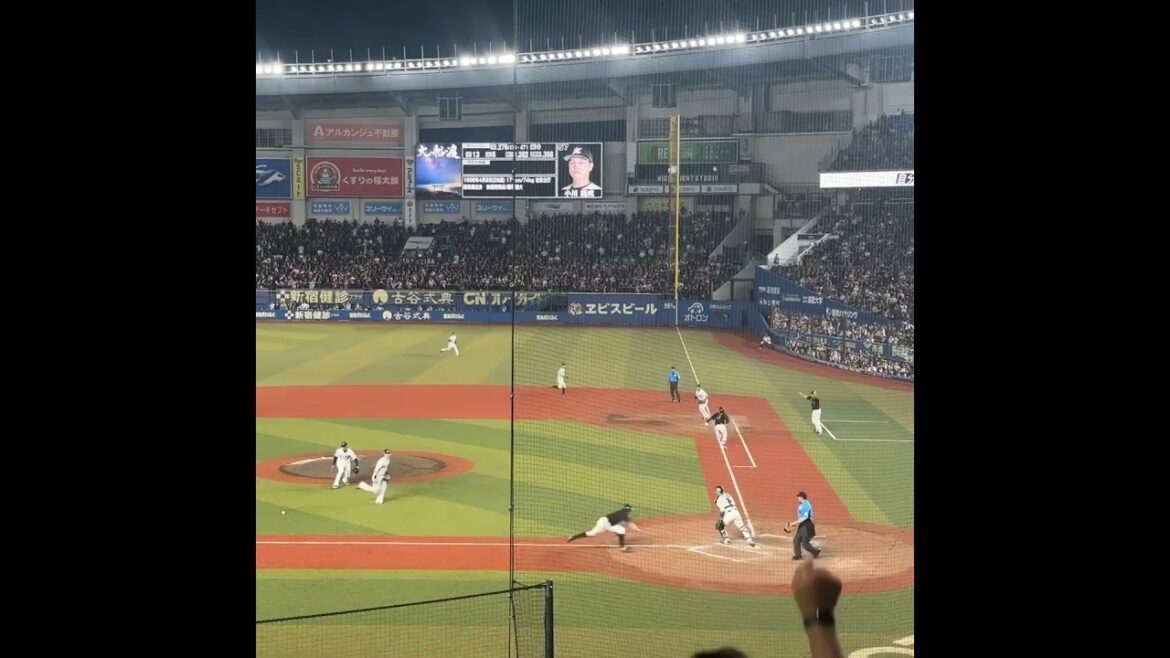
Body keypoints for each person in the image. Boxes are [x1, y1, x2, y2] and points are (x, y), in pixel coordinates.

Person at [566, 503, 641, 552]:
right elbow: (631, 525)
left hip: (605, 522)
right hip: (604, 523)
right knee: (592, 533)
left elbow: (628, 522)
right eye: (630, 510)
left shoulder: (621, 512)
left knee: (621, 529)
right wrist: (638, 530)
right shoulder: (624, 515)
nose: (631, 512)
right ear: (628, 511)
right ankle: (573, 537)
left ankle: (622, 547)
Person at [786, 491, 822, 560]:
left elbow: (805, 517)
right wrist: (796, 524)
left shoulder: (806, 505)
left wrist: (794, 523)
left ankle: (816, 552)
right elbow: (801, 517)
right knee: (796, 540)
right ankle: (798, 555)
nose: (798, 498)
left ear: (802, 498)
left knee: (805, 544)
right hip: (802, 524)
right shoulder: (801, 504)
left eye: (799, 497)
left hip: (807, 525)